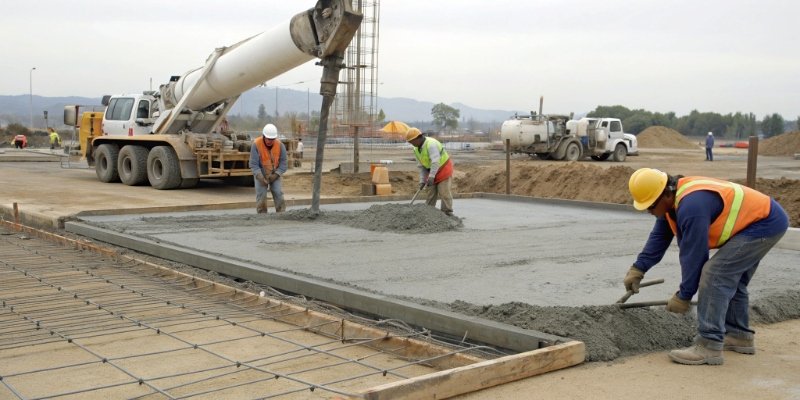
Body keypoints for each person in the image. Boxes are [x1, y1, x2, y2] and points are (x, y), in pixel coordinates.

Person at [624, 168, 788, 365]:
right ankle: (738, 335)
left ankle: (709, 345)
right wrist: (638, 269)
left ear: (665, 194)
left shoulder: (692, 207)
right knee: (730, 279)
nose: (649, 211)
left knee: (715, 274)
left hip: (764, 223)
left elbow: (694, 256)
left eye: (650, 206)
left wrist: (683, 295)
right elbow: (659, 237)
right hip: (760, 219)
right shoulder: (672, 202)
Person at [405, 128, 454, 215]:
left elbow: (435, 161)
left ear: (418, 138)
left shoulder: (431, 144)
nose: (411, 144)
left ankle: (447, 213)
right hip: (431, 170)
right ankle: (429, 214)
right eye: (410, 142)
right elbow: (421, 166)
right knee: (430, 193)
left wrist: (431, 176)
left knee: (444, 192)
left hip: (443, 168)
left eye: (412, 141)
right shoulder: (416, 149)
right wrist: (422, 180)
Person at [249, 123, 287, 214]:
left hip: (274, 174)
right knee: (261, 195)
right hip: (260, 175)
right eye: (268, 139)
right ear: (264, 136)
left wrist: (275, 175)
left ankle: (281, 213)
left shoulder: (280, 146)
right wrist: (260, 178)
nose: (270, 141)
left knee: (278, 193)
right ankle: (262, 215)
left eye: (272, 139)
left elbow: (283, 164)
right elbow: (253, 164)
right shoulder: (256, 145)